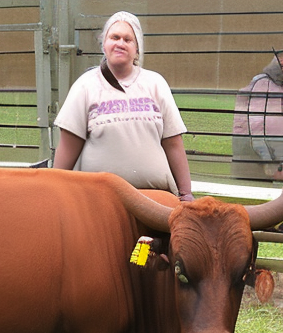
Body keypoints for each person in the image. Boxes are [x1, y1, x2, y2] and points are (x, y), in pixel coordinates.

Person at [53, 11, 193, 201]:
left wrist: (185, 193)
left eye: (128, 39)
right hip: (98, 200)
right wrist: (55, 191)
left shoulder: (155, 83)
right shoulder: (85, 86)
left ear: (137, 48)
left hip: (155, 200)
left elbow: (173, 144)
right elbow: (68, 147)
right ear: (104, 44)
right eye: (115, 37)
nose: (120, 43)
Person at [232, 50, 283, 181]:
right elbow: (256, 125)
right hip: (256, 155)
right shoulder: (263, 84)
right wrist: (268, 160)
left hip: (274, 153)